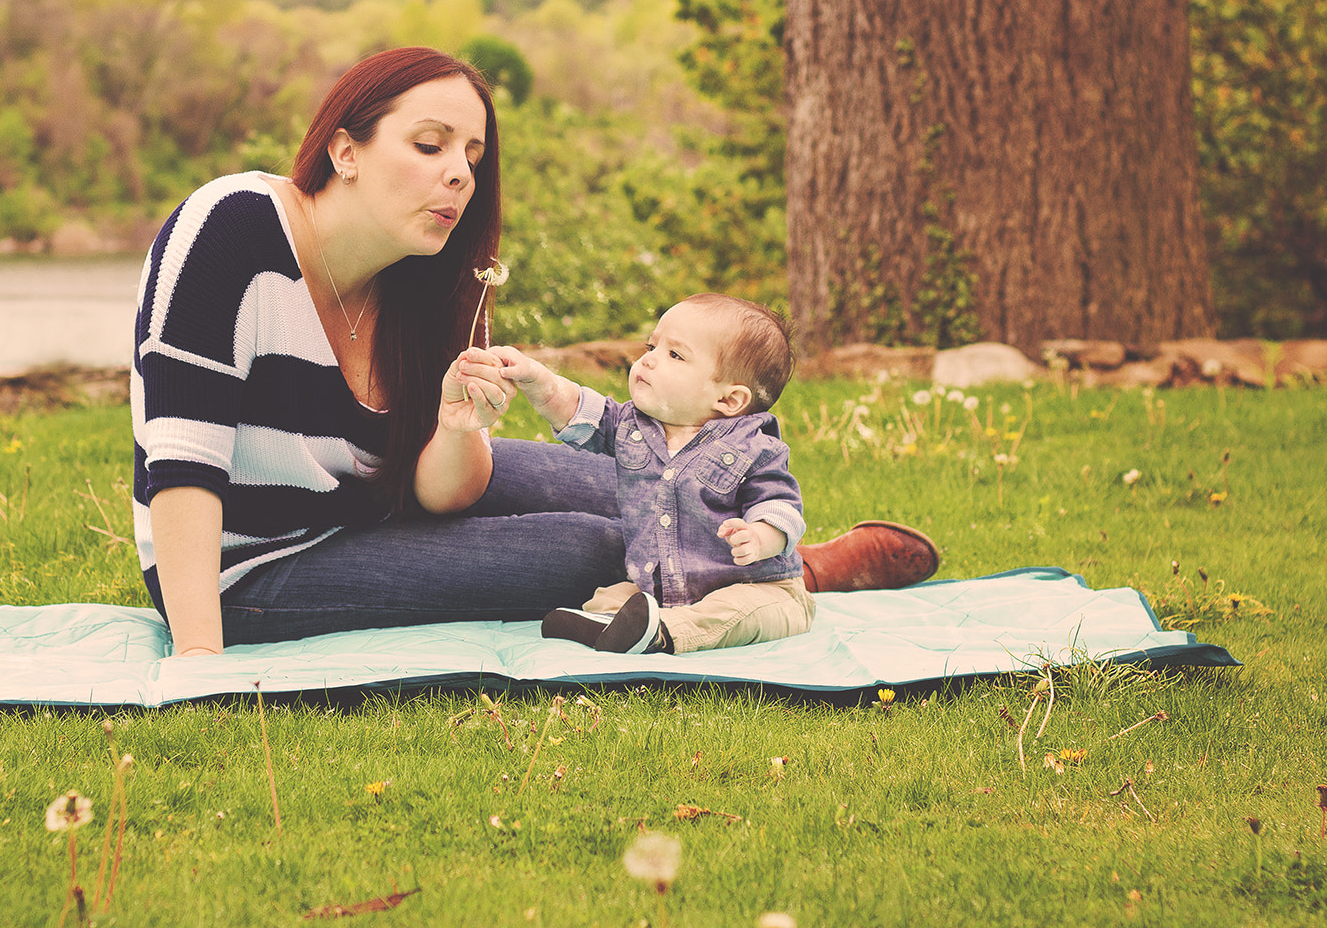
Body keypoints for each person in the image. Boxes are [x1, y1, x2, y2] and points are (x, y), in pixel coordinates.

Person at [131, 46, 940, 657]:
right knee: (595, 544)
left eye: (473, 157)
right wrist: (202, 660)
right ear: (345, 150)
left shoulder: (424, 281)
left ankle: (782, 559)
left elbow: (446, 491)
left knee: (642, 476)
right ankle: (799, 575)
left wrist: (454, 430)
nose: (460, 176)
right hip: (258, 565)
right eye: (430, 146)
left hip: (372, 497)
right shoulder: (230, 230)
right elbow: (182, 462)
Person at [495, 295, 817, 655]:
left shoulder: (753, 448)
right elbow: (578, 411)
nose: (648, 358)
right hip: (665, 591)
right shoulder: (633, 426)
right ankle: (615, 626)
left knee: (736, 613)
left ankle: (662, 634)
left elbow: (782, 507)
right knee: (611, 597)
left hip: (761, 588)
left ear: (729, 400)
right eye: (652, 345)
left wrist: (759, 537)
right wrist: (539, 381)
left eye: (674, 355)